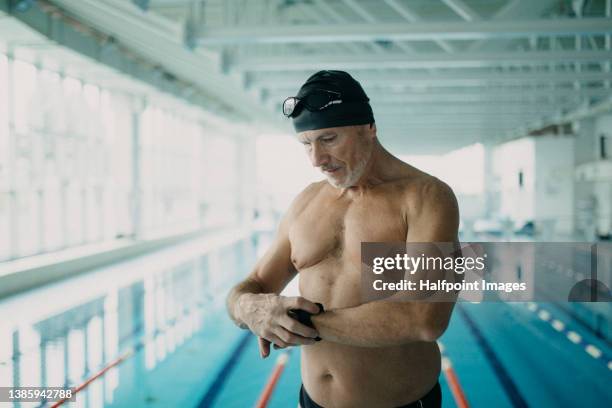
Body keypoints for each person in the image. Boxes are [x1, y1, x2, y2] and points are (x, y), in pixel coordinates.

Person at [226, 70, 459, 408]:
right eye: (306, 144)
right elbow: (256, 283)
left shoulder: (426, 197)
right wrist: (246, 307)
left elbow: (424, 318)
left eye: (329, 139)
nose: (316, 159)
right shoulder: (307, 201)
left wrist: (297, 324)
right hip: (312, 401)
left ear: (369, 128)